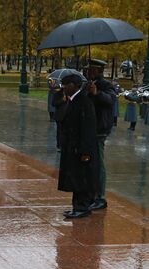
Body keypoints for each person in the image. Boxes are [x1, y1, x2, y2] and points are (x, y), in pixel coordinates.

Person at [58, 72, 98, 218]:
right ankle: (77, 206)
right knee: (76, 178)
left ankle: (82, 207)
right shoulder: (72, 100)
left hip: (80, 148)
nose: (63, 87)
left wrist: (85, 151)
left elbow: (88, 128)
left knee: (81, 178)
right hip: (72, 147)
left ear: (73, 86)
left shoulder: (84, 102)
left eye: (65, 85)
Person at [86, 59, 116, 211]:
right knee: (89, 163)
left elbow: (110, 100)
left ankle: (100, 197)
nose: (89, 71)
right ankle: (90, 194)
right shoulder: (86, 83)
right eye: (88, 69)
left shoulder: (106, 85)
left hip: (99, 129)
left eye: (92, 69)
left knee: (98, 164)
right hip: (88, 129)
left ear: (99, 71)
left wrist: (96, 93)